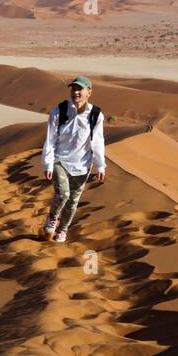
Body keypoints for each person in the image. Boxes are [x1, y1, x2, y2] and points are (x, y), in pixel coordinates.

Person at [41, 75, 105, 242]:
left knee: (73, 202)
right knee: (63, 194)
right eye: (73, 89)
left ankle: (62, 230)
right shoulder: (59, 111)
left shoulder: (96, 115)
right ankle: (53, 217)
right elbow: (50, 139)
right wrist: (47, 164)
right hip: (60, 161)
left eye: (79, 89)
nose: (75, 92)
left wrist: (101, 165)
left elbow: (97, 141)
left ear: (89, 92)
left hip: (83, 165)